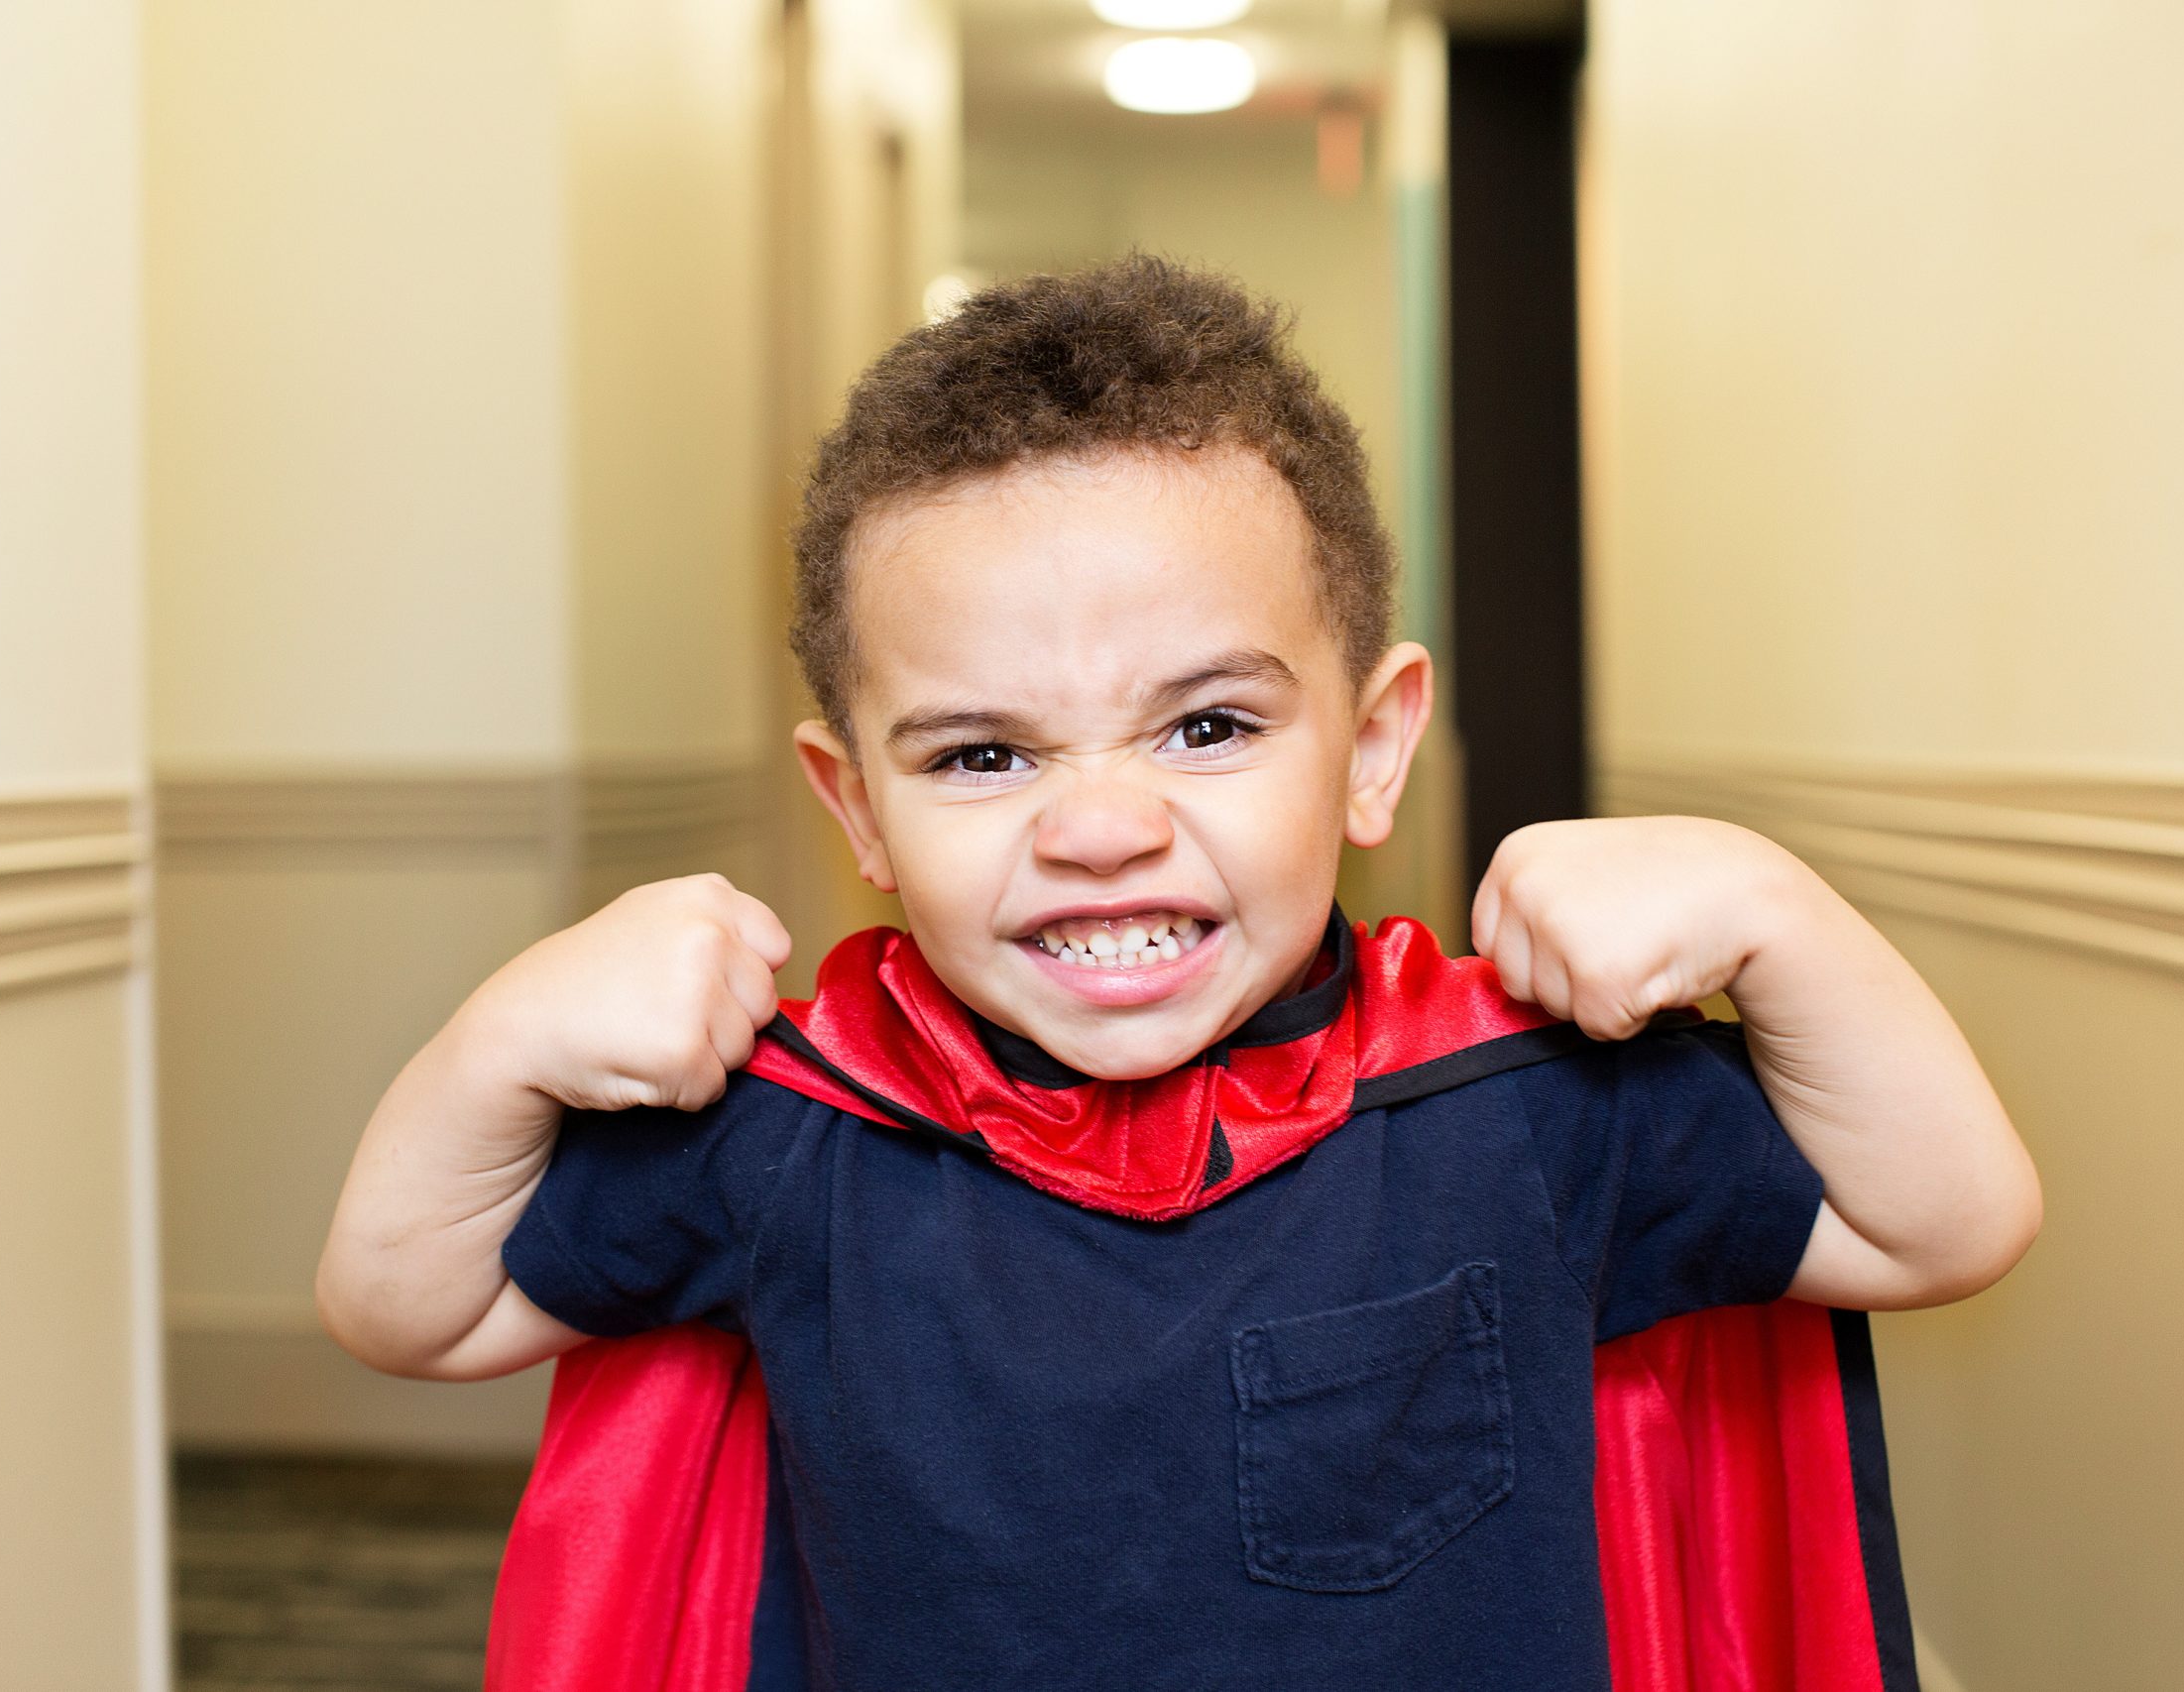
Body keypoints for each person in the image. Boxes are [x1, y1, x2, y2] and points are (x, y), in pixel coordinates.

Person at [316, 254, 2039, 1690]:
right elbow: (416, 1305)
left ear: (1373, 752)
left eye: (1208, 726)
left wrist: (1782, 909)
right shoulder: (802, 1136)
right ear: (857, 807)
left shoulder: (1514, 1099)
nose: (1099, 827)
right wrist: (497, 1041)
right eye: (983, 757)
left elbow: (1940, 1223)